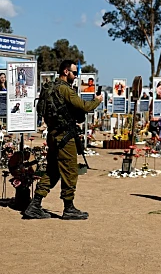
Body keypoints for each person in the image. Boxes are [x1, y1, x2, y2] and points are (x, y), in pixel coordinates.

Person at [24, 60, 102, 221]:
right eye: (74, 73)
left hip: (53, 135)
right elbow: (85, 107)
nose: (76, 76)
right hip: (65, 137)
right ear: (66, 72)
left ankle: (34, 205)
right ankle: (69, 208)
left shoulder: (49, 88)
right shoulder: (65, 90)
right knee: (70, 171)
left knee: (52, 171)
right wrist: (98, 100)